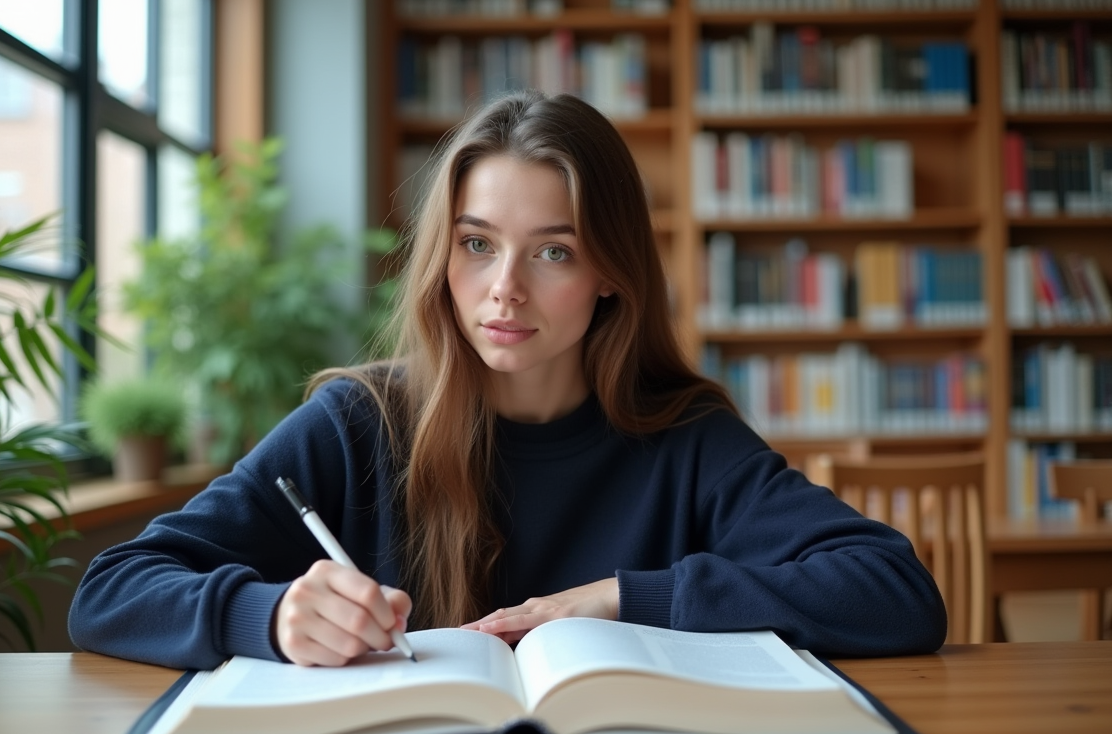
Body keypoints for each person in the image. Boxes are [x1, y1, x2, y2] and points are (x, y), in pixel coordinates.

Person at [69, 92, 947, 670]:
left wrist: (623, 597)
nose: (505, 290)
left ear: (610, 269)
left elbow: (896, 595)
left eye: (553, 251)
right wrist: (266, 618)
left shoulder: (684, 436)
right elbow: (110, 590)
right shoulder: (359, 421)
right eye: (477, 243)